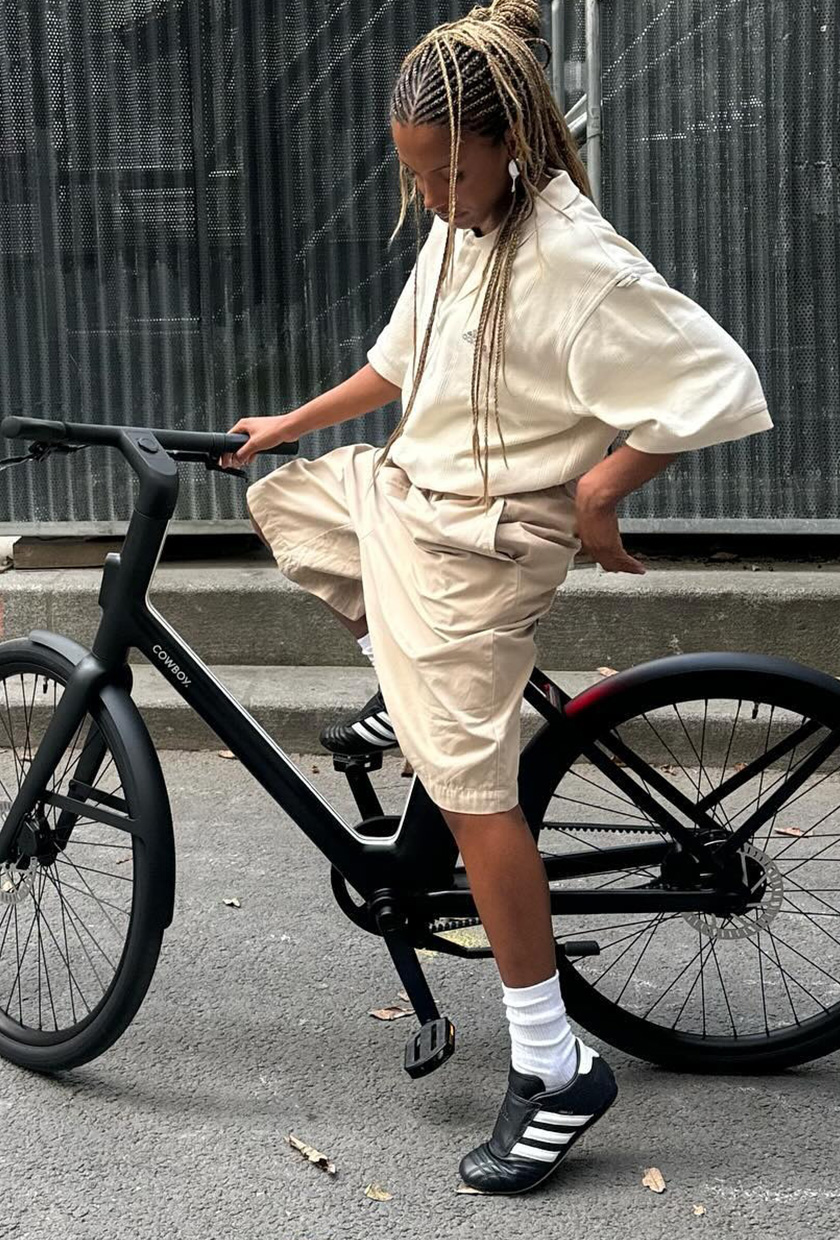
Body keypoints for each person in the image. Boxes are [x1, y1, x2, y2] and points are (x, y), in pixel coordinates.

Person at [221, 0, 773, 1195]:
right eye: (411, 173)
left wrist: (600, 491)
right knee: (304, 503)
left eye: (439, 171)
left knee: (477, 805)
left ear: (506, 142)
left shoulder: (577, 260)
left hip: (479, 549)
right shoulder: (467, 225)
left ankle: (553, 1063)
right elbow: (398, 362)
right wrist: (291, 424)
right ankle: (408, 700)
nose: (424, 195)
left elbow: (716, 381)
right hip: (417, 506)